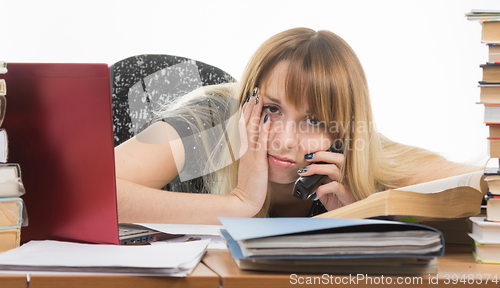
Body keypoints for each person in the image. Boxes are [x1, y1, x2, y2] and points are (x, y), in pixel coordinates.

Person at [115, 27, 480, 224]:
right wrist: (238, 204)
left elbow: (480, 186)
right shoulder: (210, 121)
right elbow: (84, 191)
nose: (286, 140)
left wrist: (357, 218)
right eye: (271, 109)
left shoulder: (364, 154)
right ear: (248, 101)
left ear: (344, 132)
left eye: (314, 120)